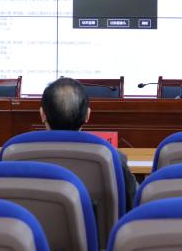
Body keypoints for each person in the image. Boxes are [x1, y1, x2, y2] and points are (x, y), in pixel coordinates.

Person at [40, 76, 138, 209]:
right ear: (88, 115)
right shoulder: (113, 160)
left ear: (42, 114)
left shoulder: (16, 156)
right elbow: (135, 204)